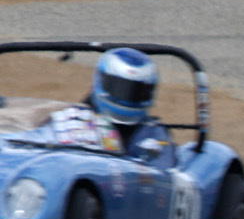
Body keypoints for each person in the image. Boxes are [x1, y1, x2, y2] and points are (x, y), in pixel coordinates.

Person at [36, 48, 172, 159]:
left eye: (138, 92)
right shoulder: (72, 117)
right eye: (118, 87)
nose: (126, 97)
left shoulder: (152, 132)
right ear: (99, 82)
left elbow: (163, 169)